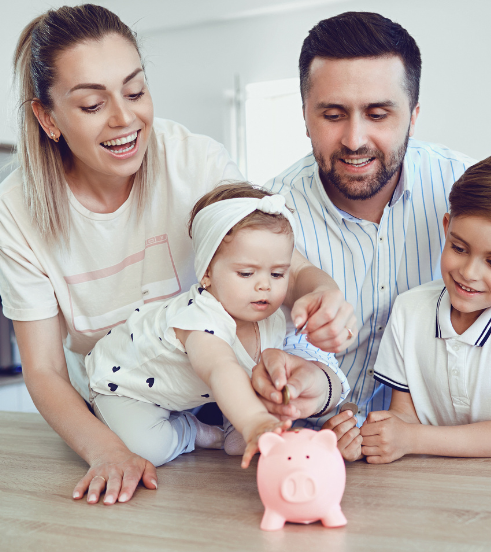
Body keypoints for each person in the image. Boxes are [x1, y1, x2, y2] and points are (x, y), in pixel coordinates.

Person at [0, 4, 355, 506]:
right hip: (123, 403)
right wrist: (107, 451)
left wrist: (321, 290)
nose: (125, 118)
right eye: (92, 105)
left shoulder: (194, 161)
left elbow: (277, 264)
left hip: (215, 393)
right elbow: (44, 369)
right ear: (47, 117)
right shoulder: (17, 209)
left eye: (136, 91)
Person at [260, 11, 491, 462]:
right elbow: (261, 348)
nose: (355, 139)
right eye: (333, 114)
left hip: (447, 456)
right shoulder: (268, 215)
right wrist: (317, 407)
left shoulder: (464, 186)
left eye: (378, 114)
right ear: (305, 115)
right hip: (313, 454)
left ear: (413, 116)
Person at [86, 183, 320, 469]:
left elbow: (250, 374)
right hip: (123, 386)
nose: (264, 285)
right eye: (246, 273)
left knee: (239, 443)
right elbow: (220, 368)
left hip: (186, 392)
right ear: (207, 272)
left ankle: (233, 425)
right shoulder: (200, 318)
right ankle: (191, 430)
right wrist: (255, 420)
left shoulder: (272, 319)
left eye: (278, 273)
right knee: (148, 450)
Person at [358, 154, 491, 462]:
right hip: (425, 481)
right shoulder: (409, 309)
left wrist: (411, 438)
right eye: (459, 248)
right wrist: (378, 435)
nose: (469, 272)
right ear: (447, 227)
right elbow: (403, 415)